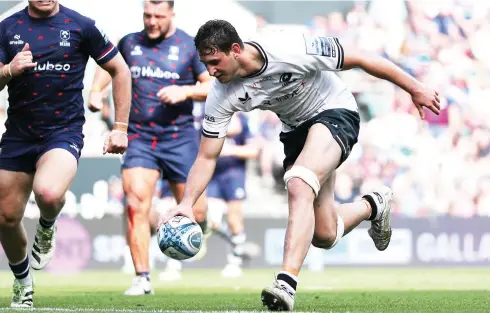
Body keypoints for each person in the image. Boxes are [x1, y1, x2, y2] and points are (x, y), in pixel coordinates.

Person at [160, 19, 440, 311]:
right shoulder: (220, 94)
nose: (210, 72)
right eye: (205, 64)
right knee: (325, 234)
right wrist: (187, 203)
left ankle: (286, 283)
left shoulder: (289, 46)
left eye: (215, 62)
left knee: (298, 181)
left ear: (235, 49)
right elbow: (207, 156)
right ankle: (374, 205)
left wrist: (415, 87)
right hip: (296, 131)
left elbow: (360, 57)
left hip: (334, 111)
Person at [0, 0, 131, 308]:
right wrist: (9, 69)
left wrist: (120, 127)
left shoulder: (82, 25)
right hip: (18, 135)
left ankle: (47, 225)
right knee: (5, 217)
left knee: (47, 192)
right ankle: (23, 283)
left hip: (62, 131)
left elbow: (120, 69)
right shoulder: (7, 27)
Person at [88, 0, 212, 296]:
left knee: (200, 212)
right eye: (147, 15)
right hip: (140, 138)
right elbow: (110, 67)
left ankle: (195, 227)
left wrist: (186, 90)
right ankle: (142, 278)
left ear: (171, 14)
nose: (152, 21)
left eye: (158, 16)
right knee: (136, 204)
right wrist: (95, 91)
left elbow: (211, 85)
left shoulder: (189, 46)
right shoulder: (130, 42)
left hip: (180, 139)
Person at [206, 112, 260, 278]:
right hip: (213, 175)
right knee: (210, 221)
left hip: (234, 174)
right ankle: (240, 247)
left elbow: (254, 150)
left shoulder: (244, 120)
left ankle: (234, 262)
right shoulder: (210, 115)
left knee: (234, 220)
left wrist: (229, 150)